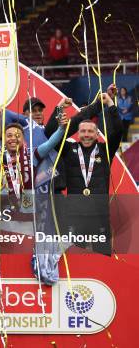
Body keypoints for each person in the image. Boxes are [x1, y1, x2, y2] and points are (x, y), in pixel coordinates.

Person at [56, 92, 123, 255]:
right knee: (76, 260)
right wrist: (59, 110)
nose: (86, 135)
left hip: (99, 215)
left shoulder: (105, 151)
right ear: (78, 134)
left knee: (104, 258)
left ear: (96, 134)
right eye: (83, 131)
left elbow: (119, 131)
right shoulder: (69, 150)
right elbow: (54, 138)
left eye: (90, 131)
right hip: (75, 215)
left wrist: (110, 105)